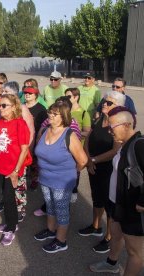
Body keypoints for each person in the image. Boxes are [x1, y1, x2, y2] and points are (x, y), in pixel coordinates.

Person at [90, 107, 144, 275]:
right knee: (116, 234)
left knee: (135, 252)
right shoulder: (123, 144)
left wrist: (142, 201)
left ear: (127, 125)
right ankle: (112, 263)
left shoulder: (139, 145)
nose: (109, 130)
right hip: (117, 203)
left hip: (133, 208)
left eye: (112, 126)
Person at [34, 101, 88, 253]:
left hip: (62, 181)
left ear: (63, 116)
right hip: (45, 178)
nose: (50, 115)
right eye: (49, 112)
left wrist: (70, 175)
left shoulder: (68, 135)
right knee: (50, 206)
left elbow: (83, 160)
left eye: (54, 114)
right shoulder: (46, 130)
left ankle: (61, 240)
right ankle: (51, 230)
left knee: (61, 210)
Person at [78, 91, 125, 254]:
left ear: (119, 106)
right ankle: (95, 226)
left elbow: (115, 150)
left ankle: (109, 238)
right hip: (94, 167)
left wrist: (94, 160)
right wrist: (88, 159)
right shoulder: (99, 119)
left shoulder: (118, 124)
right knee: (96, 198)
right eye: (105, 101)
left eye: (109, 103)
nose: (104, 104)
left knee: (109, 204)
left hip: (109, 171)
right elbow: (89, 138)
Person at [0, 94, 31, 246]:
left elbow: (24, 149)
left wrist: (16, 171)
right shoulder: (1, 121)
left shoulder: (19, 123)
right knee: (5, 197)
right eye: (0, 105)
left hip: (12, 169)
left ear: (14, 107)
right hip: (1, 167)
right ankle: (10, 221)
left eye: (4, 105)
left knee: (9, 200)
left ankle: (11, 228)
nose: (0, 108)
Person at [64, 88, 92, 202]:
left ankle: (74, 190)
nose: (67, 99)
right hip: (64, 147)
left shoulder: (84, 113)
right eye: (65, 96)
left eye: (69, 96)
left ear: (76, 97)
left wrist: (74, 133)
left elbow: (88, 131)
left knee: (75, 171)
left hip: (77, 147)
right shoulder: (65, 110)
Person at [23, 86, 48, 190]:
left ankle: (35, 179)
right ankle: (23, 178)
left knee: (34, 160)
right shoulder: (21, 106)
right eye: (26, 93)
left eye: (30, 93)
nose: (27, 94)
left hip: (35, 137)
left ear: (36, 96)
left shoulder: (41, 109)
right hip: (23, 138)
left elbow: (45, 126)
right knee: (23, 159)